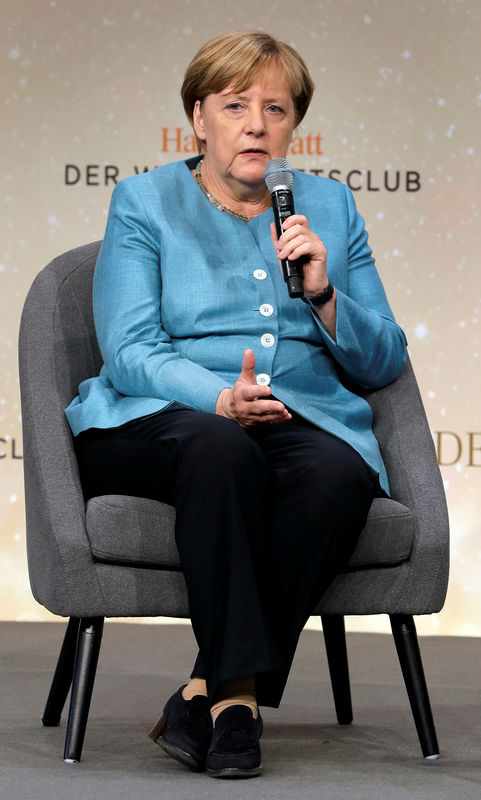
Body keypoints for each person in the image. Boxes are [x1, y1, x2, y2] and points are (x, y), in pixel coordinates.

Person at [66, 30, 407, 779]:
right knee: (219, 448)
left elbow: (384, 357)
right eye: (234, 105)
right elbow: (128, 350)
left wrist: (322, 292)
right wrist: (217, 398)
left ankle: (212, 693)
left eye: (275, 108)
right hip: (153, 416)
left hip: (294, 417)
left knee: (338, 476)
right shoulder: (144, 200)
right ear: (198, 117)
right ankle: (236, 700)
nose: (255, 124)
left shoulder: (329, 207)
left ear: (293, 125)